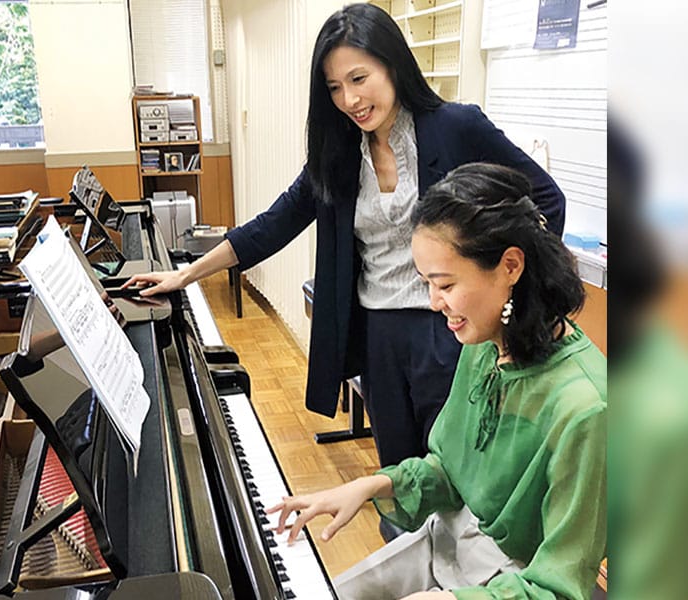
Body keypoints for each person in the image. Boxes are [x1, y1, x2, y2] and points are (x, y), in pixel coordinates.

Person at [123, 3, 565, 471]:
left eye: (359, 79)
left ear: (393, 64)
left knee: (459, 470)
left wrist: (509, 296)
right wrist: (185, 275)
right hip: (378, 334)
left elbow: (546, 200)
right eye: (334, 87)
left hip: (451, 331)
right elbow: (272, 225)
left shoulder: (456, 128)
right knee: (400, 473)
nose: (350, 100)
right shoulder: (337, 155)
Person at [267, 162, 606, 600]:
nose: (433, 303)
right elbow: (449, 471)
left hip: (512, 583)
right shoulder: (485, 344)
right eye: (426, 282)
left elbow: (559, 586)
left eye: (444, 284)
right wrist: (370, 485)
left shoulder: (586, 407)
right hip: (446, 542)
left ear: (510, 266)